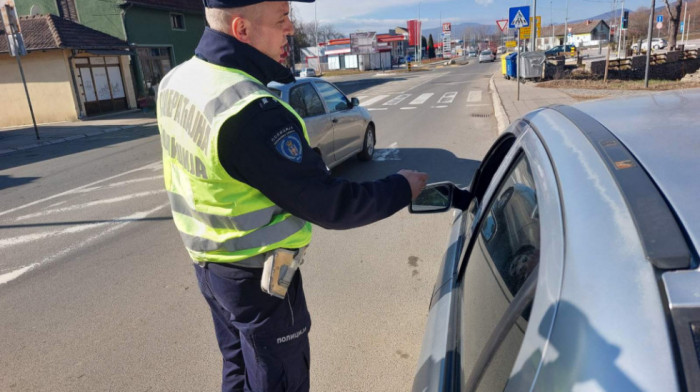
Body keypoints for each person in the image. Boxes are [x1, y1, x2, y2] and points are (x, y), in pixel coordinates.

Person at [155, 0, 429, 391]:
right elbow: (331, 205)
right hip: (258, 284)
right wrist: (402, 186)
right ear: (241, 29)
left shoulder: (178, 81)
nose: (291, 30)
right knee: (277, 381)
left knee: (238, 370)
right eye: (282, 19)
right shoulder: (250, 112)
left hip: (211, 270)